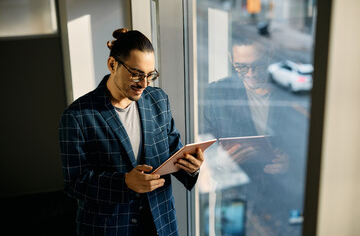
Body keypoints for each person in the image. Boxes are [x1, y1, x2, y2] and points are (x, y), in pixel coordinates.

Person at [59, 28, 204, 236]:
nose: (143, 84)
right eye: (136, 74)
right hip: (108, 228)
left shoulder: (158, 100)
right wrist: (125, 183)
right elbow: (75, 183)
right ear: (112, 65)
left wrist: (191, 167)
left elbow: (174, 151)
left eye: (149, 75)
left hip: (161, 224)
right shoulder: (77, 116)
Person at [199, 37, 301, 236]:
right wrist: (221, 161)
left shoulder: (289, 94)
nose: (251, 74)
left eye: (258, 66)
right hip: (234, 197)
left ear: (270, 55)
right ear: (231, 59)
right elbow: (203, 144)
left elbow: (306, 145)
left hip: (280, 201)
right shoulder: (217, 92)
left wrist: (290, 162)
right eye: (242, 67)